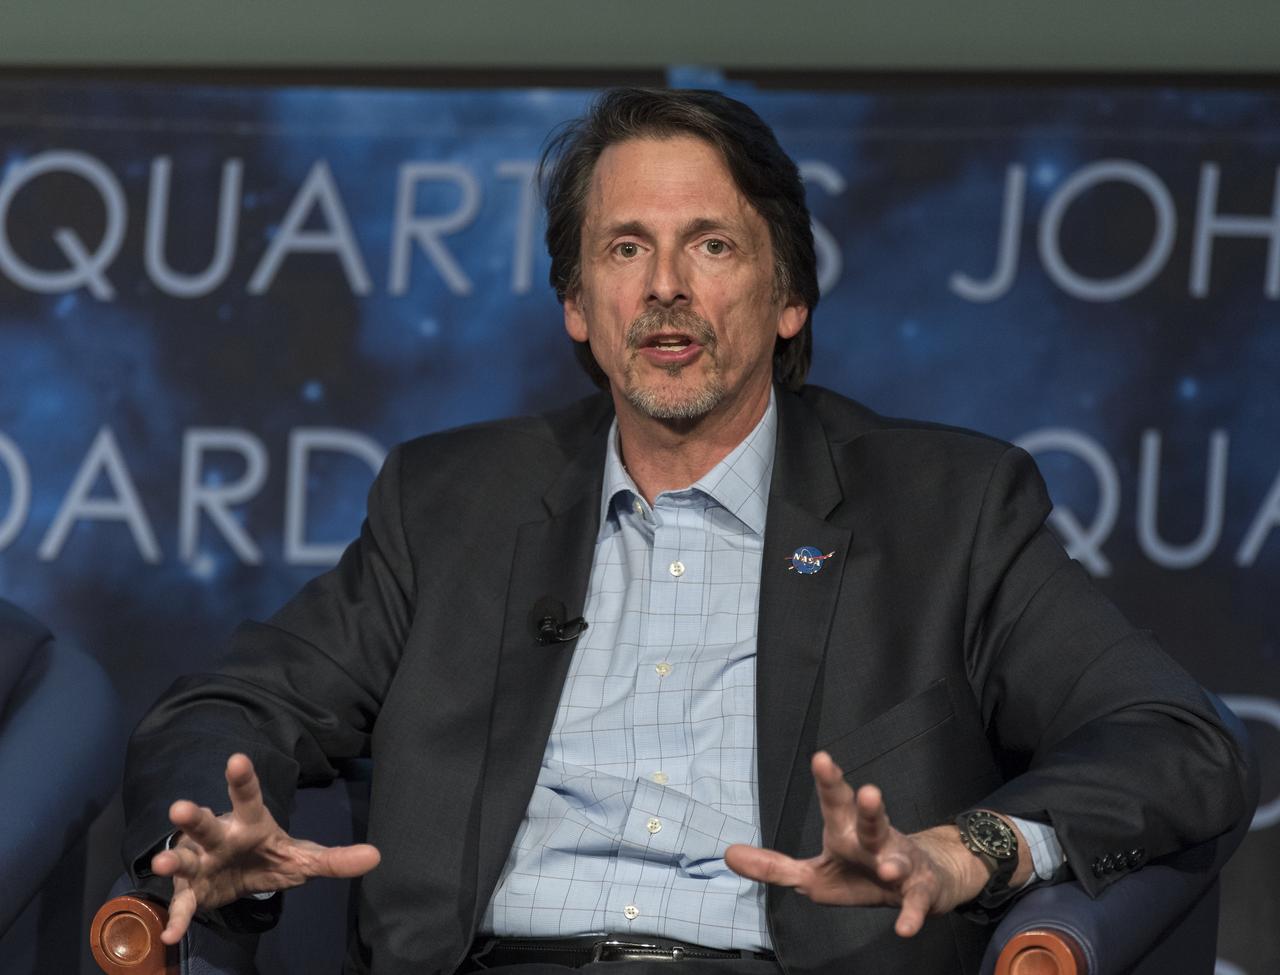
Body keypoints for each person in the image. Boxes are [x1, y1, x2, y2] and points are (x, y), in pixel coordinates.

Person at [122, 88, 1247, 975]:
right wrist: (218, 830)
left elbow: (1173, 742)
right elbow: (222, 708)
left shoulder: (948, 509)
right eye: (623, 249)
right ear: (575, 305)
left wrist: (969, 853)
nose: (665, 288)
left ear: (786, 295)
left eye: (710, 245)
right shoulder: (451, 501)